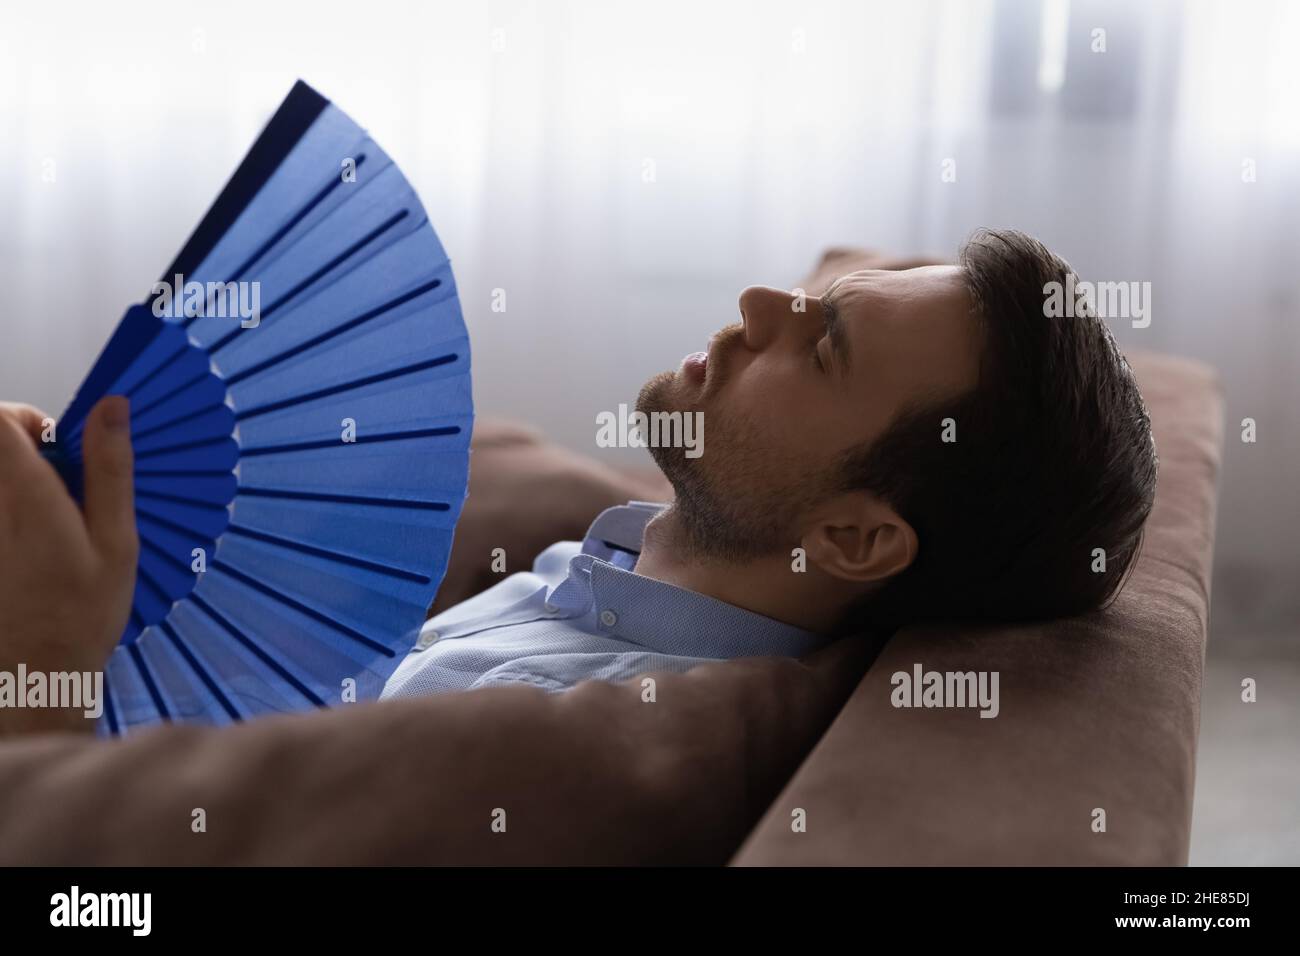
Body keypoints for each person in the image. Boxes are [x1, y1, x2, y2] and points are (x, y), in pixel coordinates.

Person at [383, 228, 1158, 699]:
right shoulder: (602, 562)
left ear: (854, 538)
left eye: (824, 345)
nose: (759, 302)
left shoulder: (525, 711)